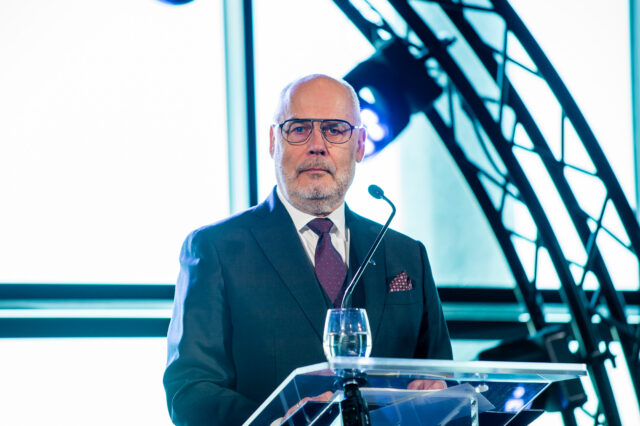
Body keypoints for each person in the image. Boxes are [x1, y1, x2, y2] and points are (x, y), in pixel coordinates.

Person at [163, 74, 452, 426]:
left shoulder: (407, 255)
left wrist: (439, 391)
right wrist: (277, 422)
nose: (317, 145)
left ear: (360, 145)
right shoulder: (217, 250)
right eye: (299, 129)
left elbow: (443, 378)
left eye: (335, 129)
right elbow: (191, 392)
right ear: (274, 142)